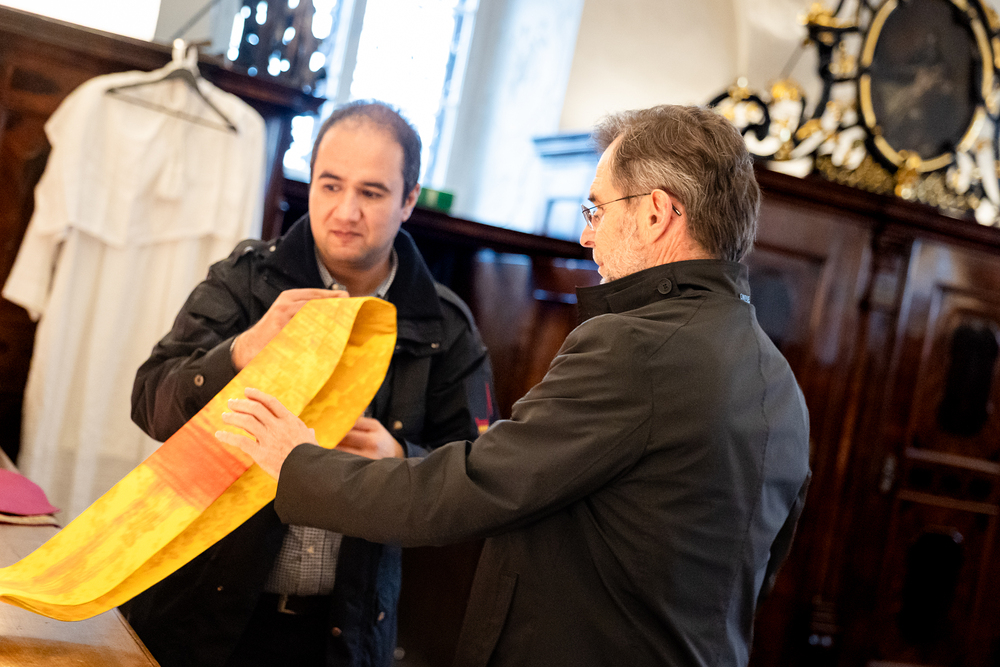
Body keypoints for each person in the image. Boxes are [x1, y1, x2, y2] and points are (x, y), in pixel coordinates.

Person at [220, 104, 812, 667]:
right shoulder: (779, 381)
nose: (587, 237)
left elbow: (473, 486)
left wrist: (297, 465)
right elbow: (754, 580)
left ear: (656, 213)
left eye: (596, 211)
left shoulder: (635, 346)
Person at [122, 101, 498, 667]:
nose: (346, 211)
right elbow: (149, 401)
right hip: (200, 613)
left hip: (344, 632)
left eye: (372, 192)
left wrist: (404, 459)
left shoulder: (446, 324)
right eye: (330, 185)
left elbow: (480, 474)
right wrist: (241, 352)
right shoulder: (245, 281)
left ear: (408, 201)